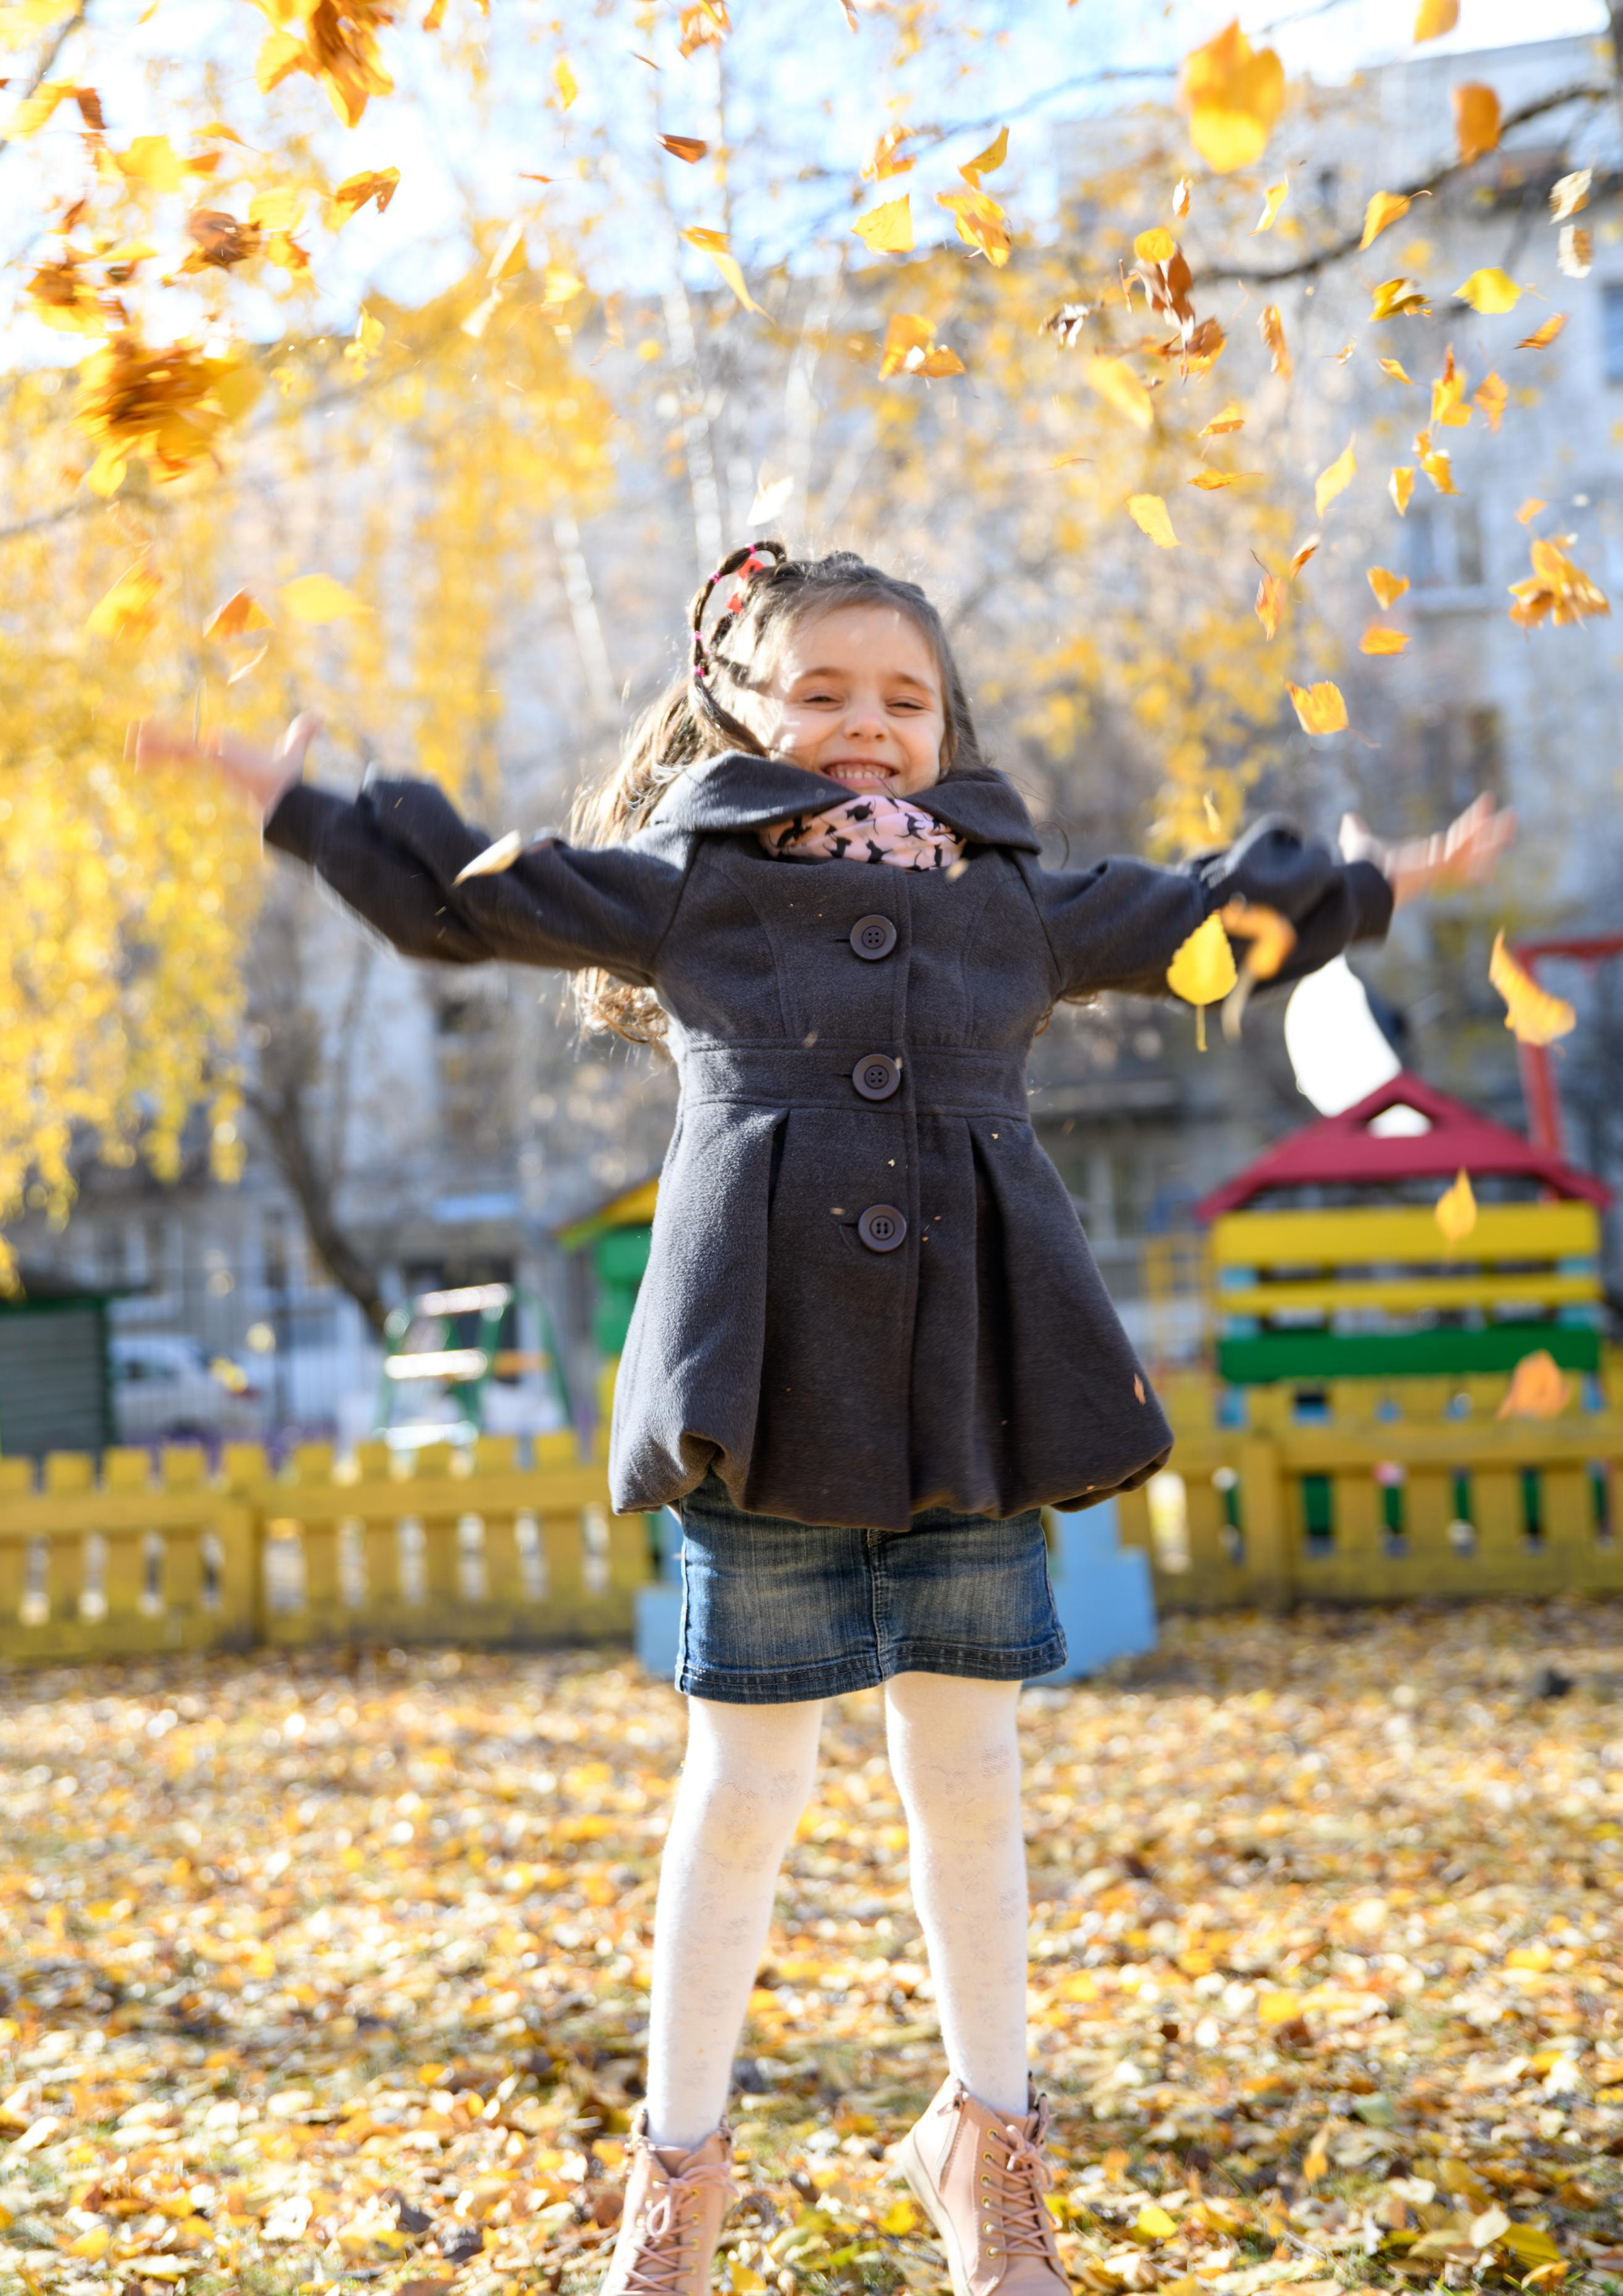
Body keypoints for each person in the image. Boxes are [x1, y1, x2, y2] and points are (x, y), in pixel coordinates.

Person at [133, 542, 1511, 2296]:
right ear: (743, 708)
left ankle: (988, 2147)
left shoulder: (1014, 895)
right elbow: (470, 897)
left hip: (968, 1395)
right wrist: (299, 796)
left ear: (947, 724)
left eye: (905, 697)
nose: (869, 724)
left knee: (972, 1772)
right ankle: (679, 2180)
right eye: (828, 691)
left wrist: (1385, 875)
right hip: (769, 1393)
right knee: (746, 1782)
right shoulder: (697, 888)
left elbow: (1202, 923)